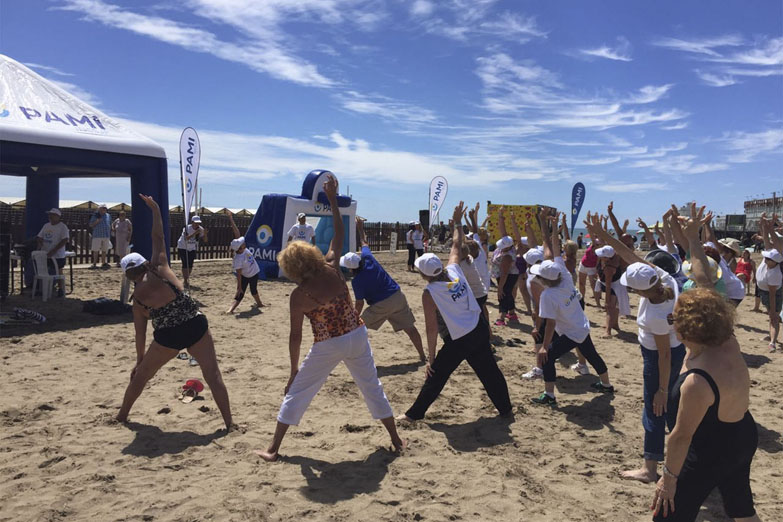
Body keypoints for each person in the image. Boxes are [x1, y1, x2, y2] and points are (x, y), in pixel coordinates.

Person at [255, 175, 404, 462]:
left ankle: (273, 449)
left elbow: (295, 336)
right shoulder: (332, 266)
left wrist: (293, 370)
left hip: (329, 343)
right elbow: (338, 231)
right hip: (357, 335)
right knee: (372, 387)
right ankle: (397, 441)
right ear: (311, 254)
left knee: (298, 393)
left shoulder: (299, 295)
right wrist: (333, 200)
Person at [116, 194, 234, 431]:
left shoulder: (137, 300)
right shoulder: (159, 267)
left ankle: (122, 416)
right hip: (195, 324)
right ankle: (230, 424)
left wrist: (139, 361)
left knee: (141, 377)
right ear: (145, 264)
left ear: (127, 276)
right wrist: (157, 210)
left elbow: (140, 335)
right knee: (213, 375)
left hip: (169, 336)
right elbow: (158, 236)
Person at [586, 213, 685, 484]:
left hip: (660, 358)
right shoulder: (665, 280)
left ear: (639, 292)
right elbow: (628, 254)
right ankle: (684, 461)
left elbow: (663, 353)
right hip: (676, 352)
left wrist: (661, 389)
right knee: (673, 410)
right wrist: (602, 234)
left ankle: (650, 469)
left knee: (655, 409)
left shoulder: (655, 313)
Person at [651, 289, 759, 522]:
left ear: (688, 327)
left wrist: (668, 480)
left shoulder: (697, 382)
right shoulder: (728, 341)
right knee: (740, 507)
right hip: (743, 435)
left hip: (711, 450)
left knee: (667, 514)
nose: (671, 324)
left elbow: (681, 437)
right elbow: (705, 284)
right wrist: (694, 251)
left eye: (673, 319)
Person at [397, 202, 512, 422]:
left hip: (460, 337)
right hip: (478, 327)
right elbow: (458, 243)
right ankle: (506, 409)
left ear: (423, 274)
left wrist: (431, 358)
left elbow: (431, 328)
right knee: (490, 371)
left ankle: (414, 414)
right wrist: (458, 221)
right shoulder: (453, 268)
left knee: (437, 375)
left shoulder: (430, 292)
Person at [530, 212, 613, 406]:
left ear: (544, 280)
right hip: (580, 325)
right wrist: (553, 226)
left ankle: (549, 396)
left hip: (572, 331)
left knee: (547, 358)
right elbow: (555, 250)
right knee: (591, 355)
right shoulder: (564, 276)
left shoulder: (548, 295)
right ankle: (607, 385)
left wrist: (544, 347)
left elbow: (550, 324)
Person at [340, 218, 426, 361]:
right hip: (397, 296)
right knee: (410, 328)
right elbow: (364, 242)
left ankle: (353, 356)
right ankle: (423, 356)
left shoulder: (357, 281)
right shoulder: (368, 258)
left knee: (358, 328)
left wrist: (354, 317)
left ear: (350, 268)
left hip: (381, 304)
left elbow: (360, 303)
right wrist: (360, 228)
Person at [226, 212, 264, 314]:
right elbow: (238, 274)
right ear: (239, 248)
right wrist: (239, 287)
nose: (244, 242)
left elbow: (236, 231)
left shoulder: (241, 248)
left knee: (254, 290)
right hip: (246, 275)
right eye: (242, 243)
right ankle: (230, 310)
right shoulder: (238, 259)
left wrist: (231, 218)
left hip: (254, 272)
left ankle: (260, 303)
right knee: (240, 293)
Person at [755, 214, 782, 352]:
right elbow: (766, 240)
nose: (764, 259)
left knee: (774, 317)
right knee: (771, 316)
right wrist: (765, 225)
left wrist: (772, 310)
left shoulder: (775, 274)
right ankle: (771, 335)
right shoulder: (770, 262)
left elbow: (773, 294)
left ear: (774, 262)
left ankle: (772, 342)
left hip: (772, 294)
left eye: (767, 259)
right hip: (764, 291)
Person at [493, 206, 520, 326]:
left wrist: (499, 287)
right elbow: (503, 231)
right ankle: (512, 313)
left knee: (503, 293)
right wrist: (500, 216)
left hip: (507, 275)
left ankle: (502, 317)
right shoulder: (508, 246)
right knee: (507, 293)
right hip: (506, 274)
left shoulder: (507, 256)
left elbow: (504, 273)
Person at [36, 208, 69, 297]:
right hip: (45, 254)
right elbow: (39, 236)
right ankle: (42, 289)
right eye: (50, 215)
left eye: (53, 215)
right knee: (43, 271)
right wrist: (40, 242)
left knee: (59, 271)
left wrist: (54, 250)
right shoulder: (46, 225)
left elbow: (64, 240)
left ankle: (61, 289)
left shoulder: (62, 227)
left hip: (58, 255)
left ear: (58, 216)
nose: (50, 217)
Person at [176, 215, 206, 287]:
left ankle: (187, 278)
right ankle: (185, 280)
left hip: (192, 248)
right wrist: (195, 233)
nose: (197, 225)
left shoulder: (201, 229)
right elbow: (186, 238)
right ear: (192, 222)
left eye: (198, 223)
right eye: (196, 223)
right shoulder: (186, 228)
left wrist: (205, 234)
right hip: (183, 247)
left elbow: (205, 240)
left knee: (190, 264)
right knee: (185, 263)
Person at [578, 239, 602, 308]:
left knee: (593, 285)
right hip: (583, 265)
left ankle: (598, 303)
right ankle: (582, 300)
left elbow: (599, 262)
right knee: (581, 284)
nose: (596, 245)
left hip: (592, 268)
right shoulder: (591, 246)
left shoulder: (600, 252)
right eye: (595, 244)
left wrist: (597, 271)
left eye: (598, 244)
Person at [89, 204, 112, 269]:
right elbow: (91, 225)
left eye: (105, 208)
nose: (104, 209)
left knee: (104, 250)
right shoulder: (95, 215)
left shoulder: (108, 215)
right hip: (97, 235)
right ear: (99, 209)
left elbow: (109, 223)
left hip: (106, 235)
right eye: (103, 208)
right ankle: (94, 264)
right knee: (96, 250)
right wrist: (97, 221)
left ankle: (103, 263)